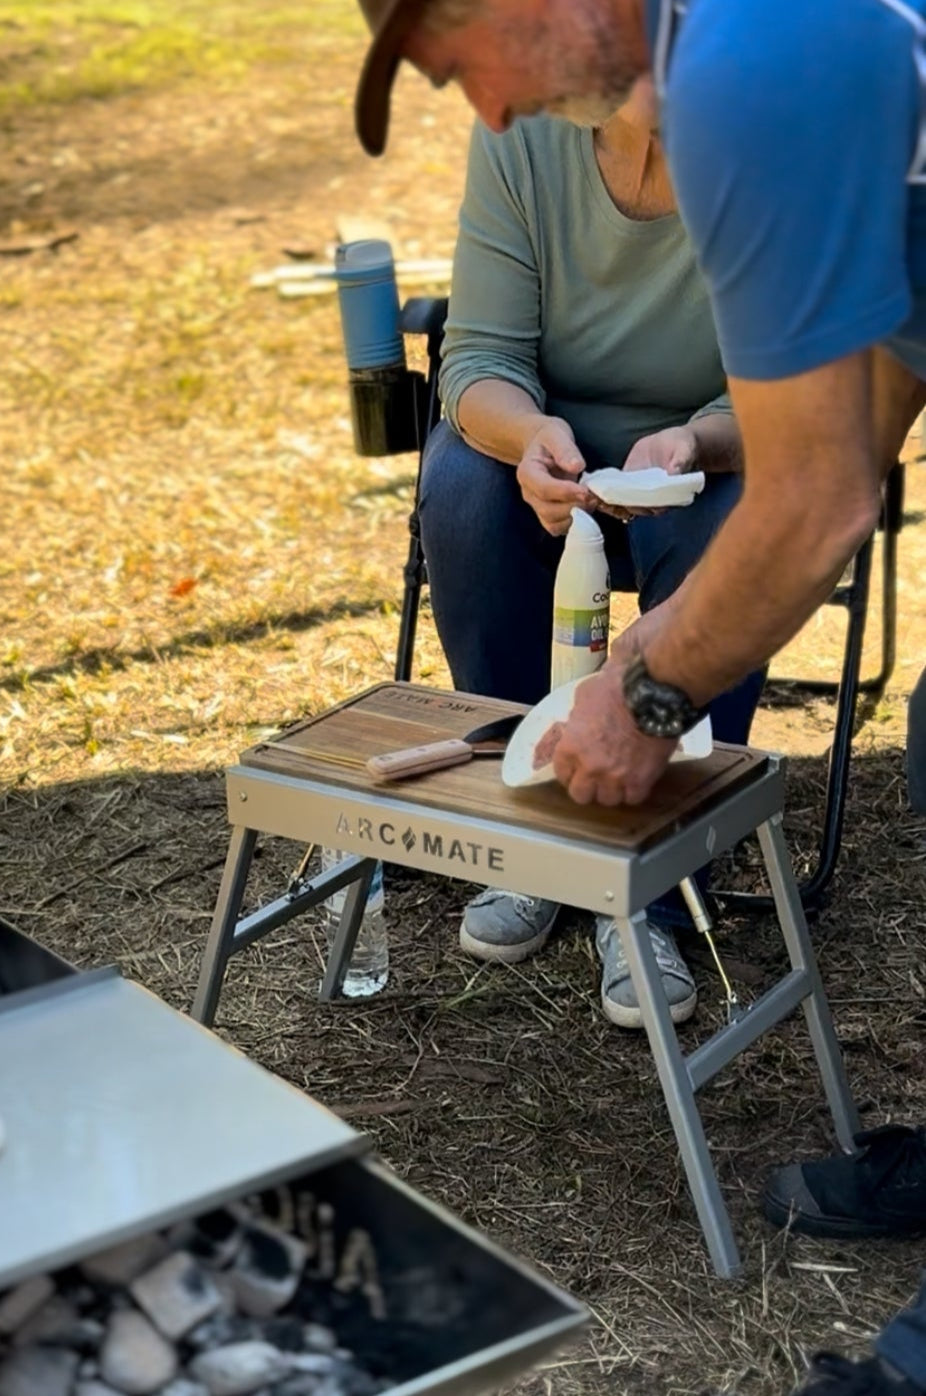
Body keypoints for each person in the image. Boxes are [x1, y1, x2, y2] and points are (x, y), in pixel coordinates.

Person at [348, 0, 926, 1391]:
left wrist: (645, 694)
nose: (480, 116)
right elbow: (882, 383)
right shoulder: (732, 47)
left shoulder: (734, 67)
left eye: (454, 68)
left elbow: (815, 489)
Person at [418, 80, 762, 1028]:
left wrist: (694, 445)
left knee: (728, 515)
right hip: (550, 438)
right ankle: (527, 824)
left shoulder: (766, 149)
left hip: (699, 451)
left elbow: (784, 392)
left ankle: (651, 874)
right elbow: (478, 359)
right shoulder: (522, 136)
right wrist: (528, 435)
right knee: (460, 484)